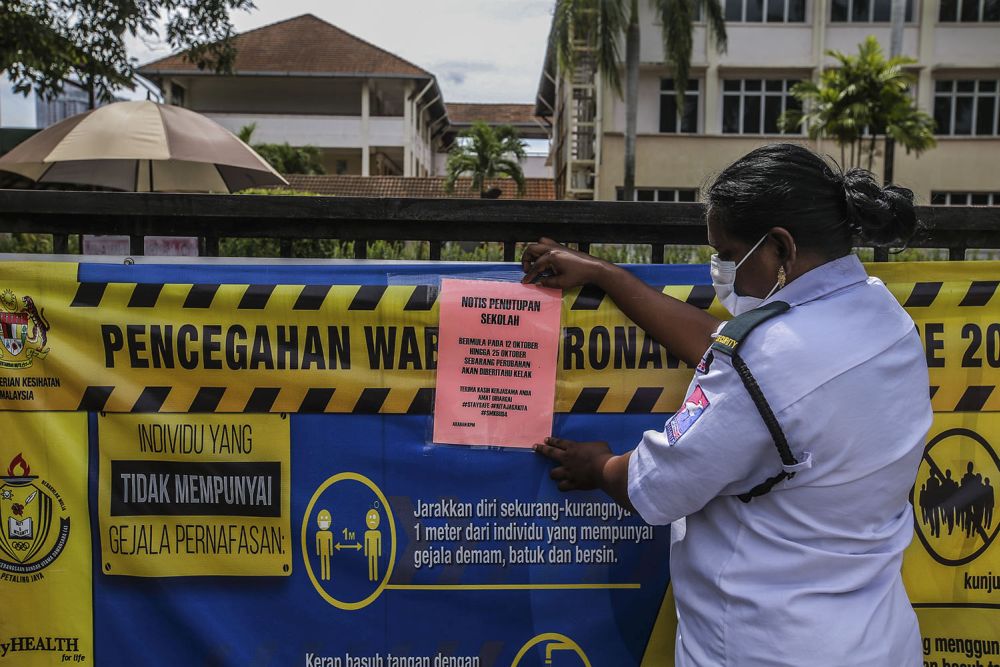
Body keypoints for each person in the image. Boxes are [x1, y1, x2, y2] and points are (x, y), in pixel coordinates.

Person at [523, 143, 931, 666]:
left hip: (767, 644)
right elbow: (749, 362)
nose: (721, 268)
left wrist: (599, 466)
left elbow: (657, 485)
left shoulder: (764, 364)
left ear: (780, 248)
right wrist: (610, 276)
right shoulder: (883, 317)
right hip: (879, 639)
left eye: (728, 254)